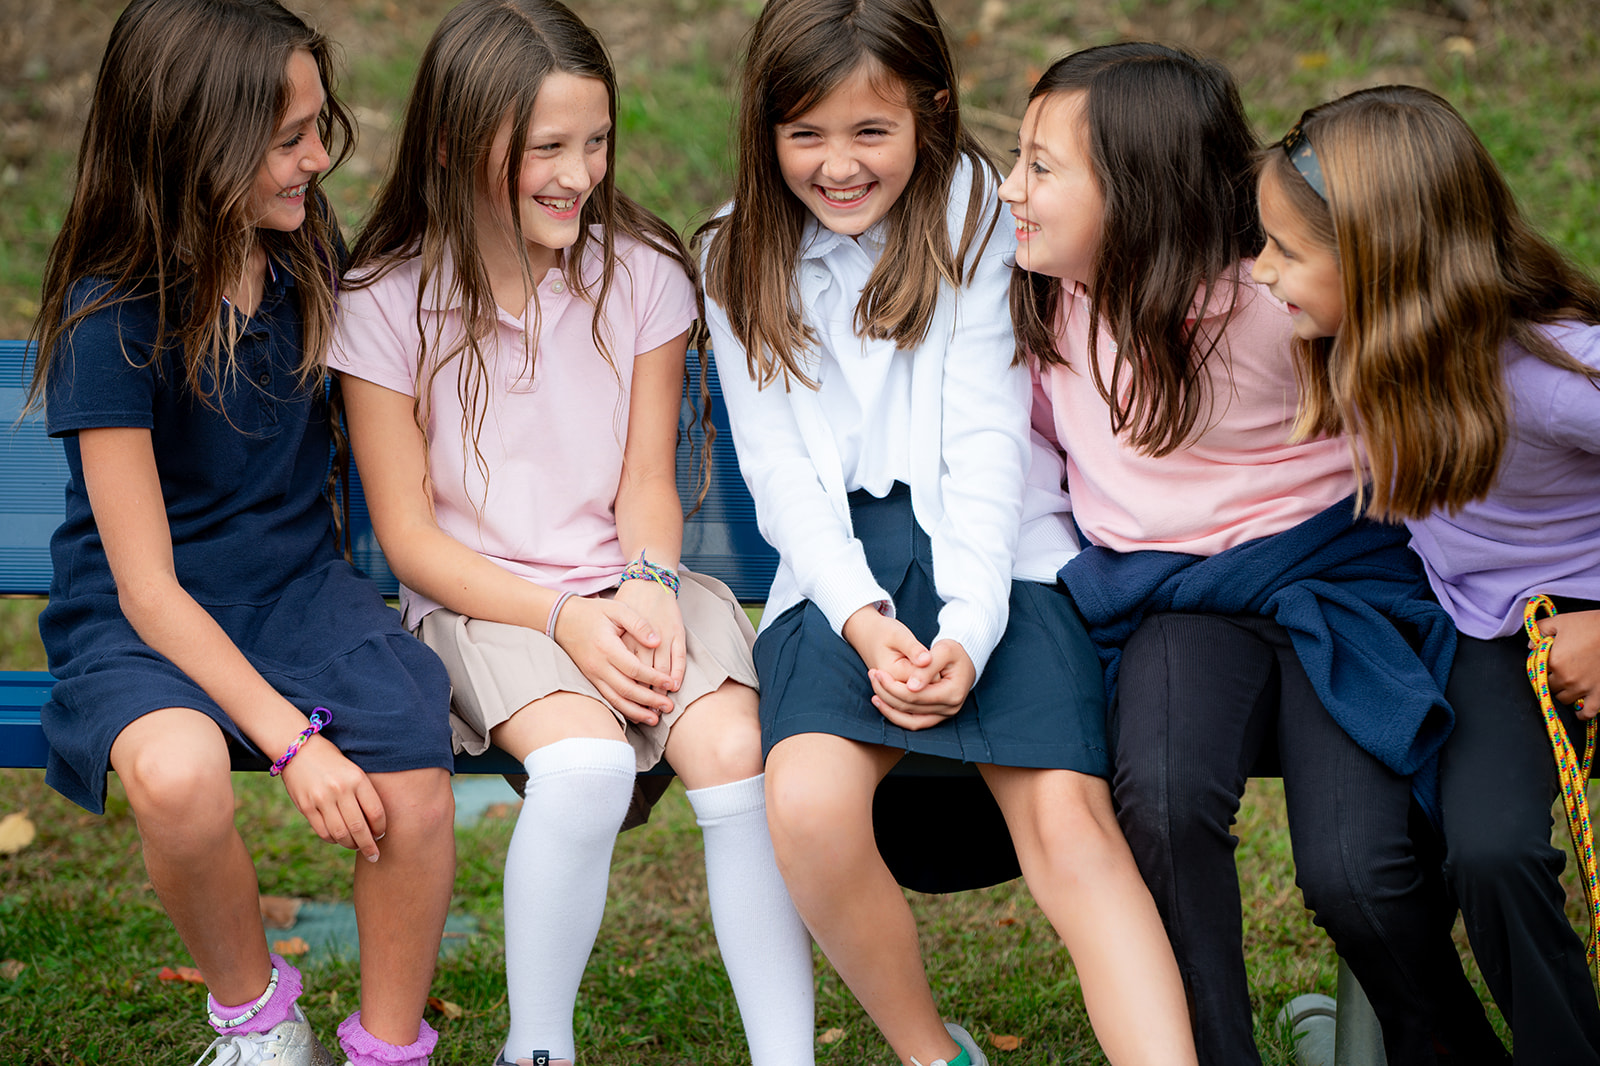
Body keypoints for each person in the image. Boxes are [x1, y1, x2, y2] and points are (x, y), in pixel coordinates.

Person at [697, 4, 1197, 1065]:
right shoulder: (732, 253)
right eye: (805, 135)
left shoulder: (981, 216)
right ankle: (933, 1053)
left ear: (930, 108)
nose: (837, 166)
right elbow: (779, 472)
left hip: (999, 552)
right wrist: (862, 617)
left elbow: (986, 442)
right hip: (834, 572)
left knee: (1067, 820)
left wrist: (969, 627)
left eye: (868, 131)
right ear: (764, 127)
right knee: (809, 806)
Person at [329, 3, 815, 1064]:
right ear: (458, 144)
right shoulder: (382, 296)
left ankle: (789, 1055)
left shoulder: (639, 269)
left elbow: (648, 477)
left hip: (631, 575)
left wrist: (644, 583)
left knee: (739, 761)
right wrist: (564, 618)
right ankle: (537, 1048)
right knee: (589, 767)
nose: (579, 171)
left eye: (594, 141)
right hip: (483, 597)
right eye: (546, 147)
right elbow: (410, 538)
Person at [1005, 45, 1506, 1065]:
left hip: (1333, 578)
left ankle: (1440, 1043)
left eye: (1041, 166)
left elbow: (1429, 387)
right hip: (1171, 600)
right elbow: (1016, 456)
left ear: (1141, 193)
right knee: (1163, 797)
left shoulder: (1280, 296)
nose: (1012, 188)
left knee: (1353, 868)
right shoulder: (1043, 298)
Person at [24, 2, 457, 1065]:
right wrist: (293, 740)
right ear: (192, 147)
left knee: (409, 741)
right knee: (175, 771)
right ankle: (258, 1020)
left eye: (320, 126)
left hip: (299, 589)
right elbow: (147, 589)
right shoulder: (111, 314)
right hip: (149, 614)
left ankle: (387, 1043)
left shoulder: (301, 249)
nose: (319, 158)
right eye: (288, 139)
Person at [1255, 84, 1600, 1065]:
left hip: (1575, 616)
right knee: (1483, 850)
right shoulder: (1372, 341)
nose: (1258, 269)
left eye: (1283, 250)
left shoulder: (1551, 378)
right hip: (1489, 633)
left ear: (1381, 259)